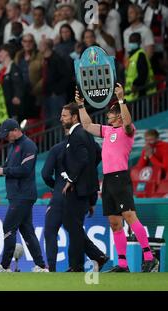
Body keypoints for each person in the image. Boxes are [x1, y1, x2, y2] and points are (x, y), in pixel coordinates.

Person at [77, 83, 159, 272]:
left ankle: (149, 256)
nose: (108, 117)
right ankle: (122, 264)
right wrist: (81, 106)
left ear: (119, 115)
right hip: (107, 180)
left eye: (111, 114)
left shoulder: (127, 131)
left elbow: (128, 122)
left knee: (129, 216)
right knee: (115, 223)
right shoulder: (107, 131)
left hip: (121, 179)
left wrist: (121, 99)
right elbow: (87, 125)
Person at [42, 127, 109, 272]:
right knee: (75, 230)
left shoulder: (57, 149)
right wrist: (91, 202)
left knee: (51, 230)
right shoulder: (90, 154)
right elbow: (92, 174)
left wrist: (56, 187)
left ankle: (52, 268)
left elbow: (45, 174)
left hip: (62, 195)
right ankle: (97, 256)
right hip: (82, 195)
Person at [0, 119, 47, 272]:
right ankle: (40, 266)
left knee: (8, 226)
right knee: (27, 231)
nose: (6, 137)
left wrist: (4, 171)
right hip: (18, 194)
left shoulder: (29, 145)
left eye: (7, 134)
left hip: (23, 194)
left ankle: (5, 266)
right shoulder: (14, 145)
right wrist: (0, 170)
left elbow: (25, 170)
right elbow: (10, 167)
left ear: (15, 130)